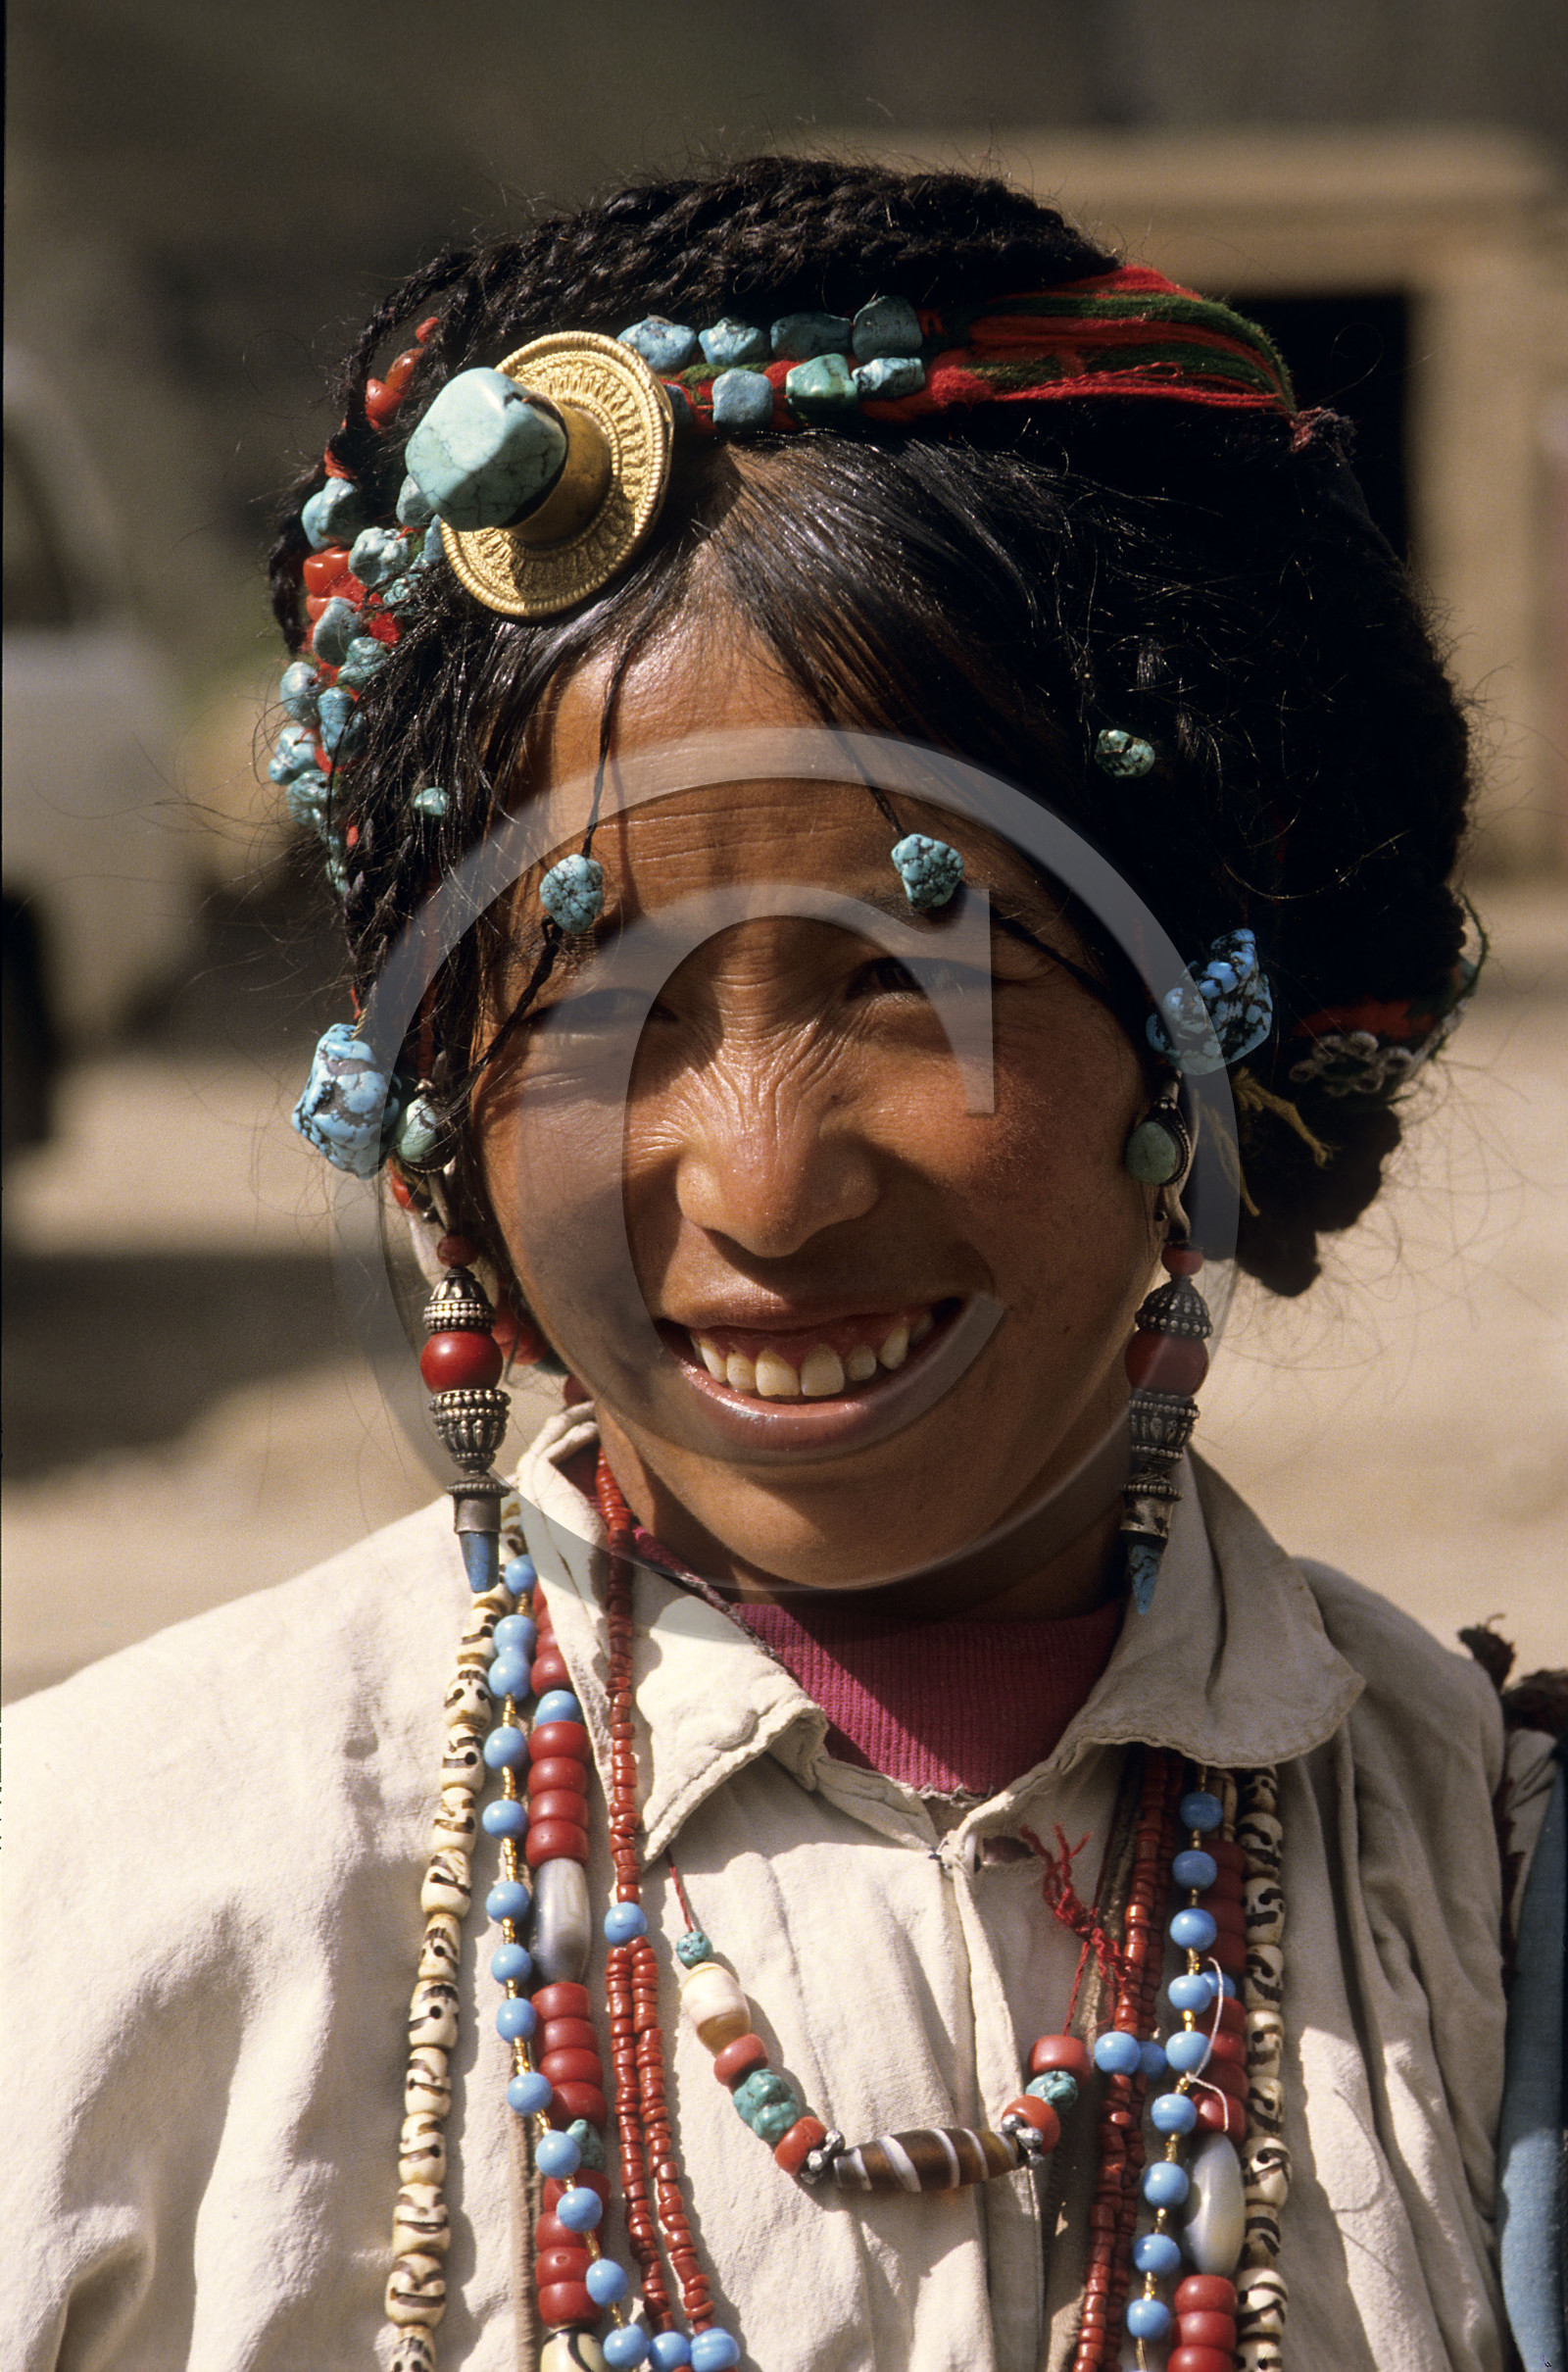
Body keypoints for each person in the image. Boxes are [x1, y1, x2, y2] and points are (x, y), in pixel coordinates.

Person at [7, 158, 1560, 2372]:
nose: (761, 1181)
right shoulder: (113, 1903)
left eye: (921, 975)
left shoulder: (1484, 1912)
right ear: (435, 1098)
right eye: (587, 993)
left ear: (1217, 1032)